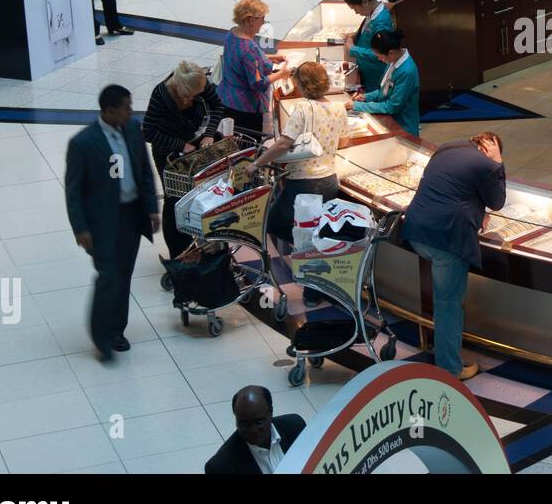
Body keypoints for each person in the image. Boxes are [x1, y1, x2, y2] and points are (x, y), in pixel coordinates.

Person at [65, 85, 159, 361]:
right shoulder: (83, 143)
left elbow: (144, 171)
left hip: (131, 215)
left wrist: (152, 208)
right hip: (101, 223)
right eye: (126, 108)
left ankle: (117, 331)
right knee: (109, 277)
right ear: (109, 111)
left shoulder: (132, 129)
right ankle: (101, 335)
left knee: (124, 275)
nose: (131, 112)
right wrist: (80, 228)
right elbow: (73, 191)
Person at [403, 132, 506, 379]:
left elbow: (455, 187)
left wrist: (475, 209)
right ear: (490, 149)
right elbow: (498, 201)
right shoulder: (486, 164)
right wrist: (499, 163)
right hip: (445, 240)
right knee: (448, 304)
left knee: (442, 299)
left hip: (416, 229)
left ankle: (438, 347)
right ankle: (450, 367)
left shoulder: (448, 146)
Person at [244, 61, 353, 258]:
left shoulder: (303, 108)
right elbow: (343, 142)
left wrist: (256, 163)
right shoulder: (339, 107)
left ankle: (309, 251)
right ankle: (315, 254)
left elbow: (283, 144)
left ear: (303, 85)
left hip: (303, 183)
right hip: (329, 181)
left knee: (274, 222)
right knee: (317, 227)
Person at [141, 61, 224, 259]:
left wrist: (209, 134)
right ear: (179, 87)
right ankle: (178, 254)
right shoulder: (161, 95)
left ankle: (198, 247)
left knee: (199, 194)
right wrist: (179, 145)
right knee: (174, 200)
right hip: (167, 153)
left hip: (194, 148)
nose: (194, 98)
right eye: (191, 95)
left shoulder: (199, 82)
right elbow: (148, 132)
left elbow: (218, 107)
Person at [218, 0, 290, 138]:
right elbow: (258, 83)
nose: (263, 22)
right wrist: (282, 73)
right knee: (247, 144)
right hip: (244, 108)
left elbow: (240, 59)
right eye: (262, 19)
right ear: (251, 20)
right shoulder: (250, 48)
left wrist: (269, 58)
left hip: (227, 99)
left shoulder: (232, 33)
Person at [204, 386, 306, 474]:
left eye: (258, 422)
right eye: (243, 424)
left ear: (271, 412)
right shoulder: (221, 467)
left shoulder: (296, 427)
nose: (252, 430)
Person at [352, 29, 421, 136]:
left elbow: (392, 106)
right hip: (389, 120)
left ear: (391, 53)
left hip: (403, 126)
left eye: (379, 56)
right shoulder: (393, 61)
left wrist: (357, 106)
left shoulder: (407, 71)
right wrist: (366, 97)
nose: (379, 59)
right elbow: (383, 89)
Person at [343, 0, 395, 92]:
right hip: (366, 72)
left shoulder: (382, 22)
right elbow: (368, 34)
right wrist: (356, 35)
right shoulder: (371, 13)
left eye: (355, 9)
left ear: (365, 2)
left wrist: (353, 49)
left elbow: (381, 53)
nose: (356, 13)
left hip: (375, 76)